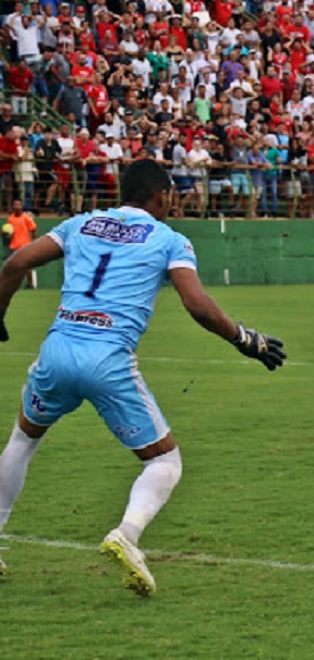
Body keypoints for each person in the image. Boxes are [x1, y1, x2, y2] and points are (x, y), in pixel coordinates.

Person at [0, 160, 286, 593]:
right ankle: (127, 535)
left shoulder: (83, 223)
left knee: (23, 441)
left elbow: (16, 262)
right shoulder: (169, 239)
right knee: (164, 461)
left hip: (57, 350)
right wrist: (245, 339)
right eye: (171, 196)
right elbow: (197, 304)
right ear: (161, 196)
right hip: (108, 358)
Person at [4, 199, 37, 289]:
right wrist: (5, 234)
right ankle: (11, 284)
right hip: (13, 246)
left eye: (19, 205)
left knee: (27, 266)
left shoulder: (26, 217)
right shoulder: (10, 218)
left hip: (24, 245)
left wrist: (34, 242)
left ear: (22, 206)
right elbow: (9, 232)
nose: (17, 206)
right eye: (15, 205)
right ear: (13, 207)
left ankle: (30, 284)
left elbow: (33, 229)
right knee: (11, 266)